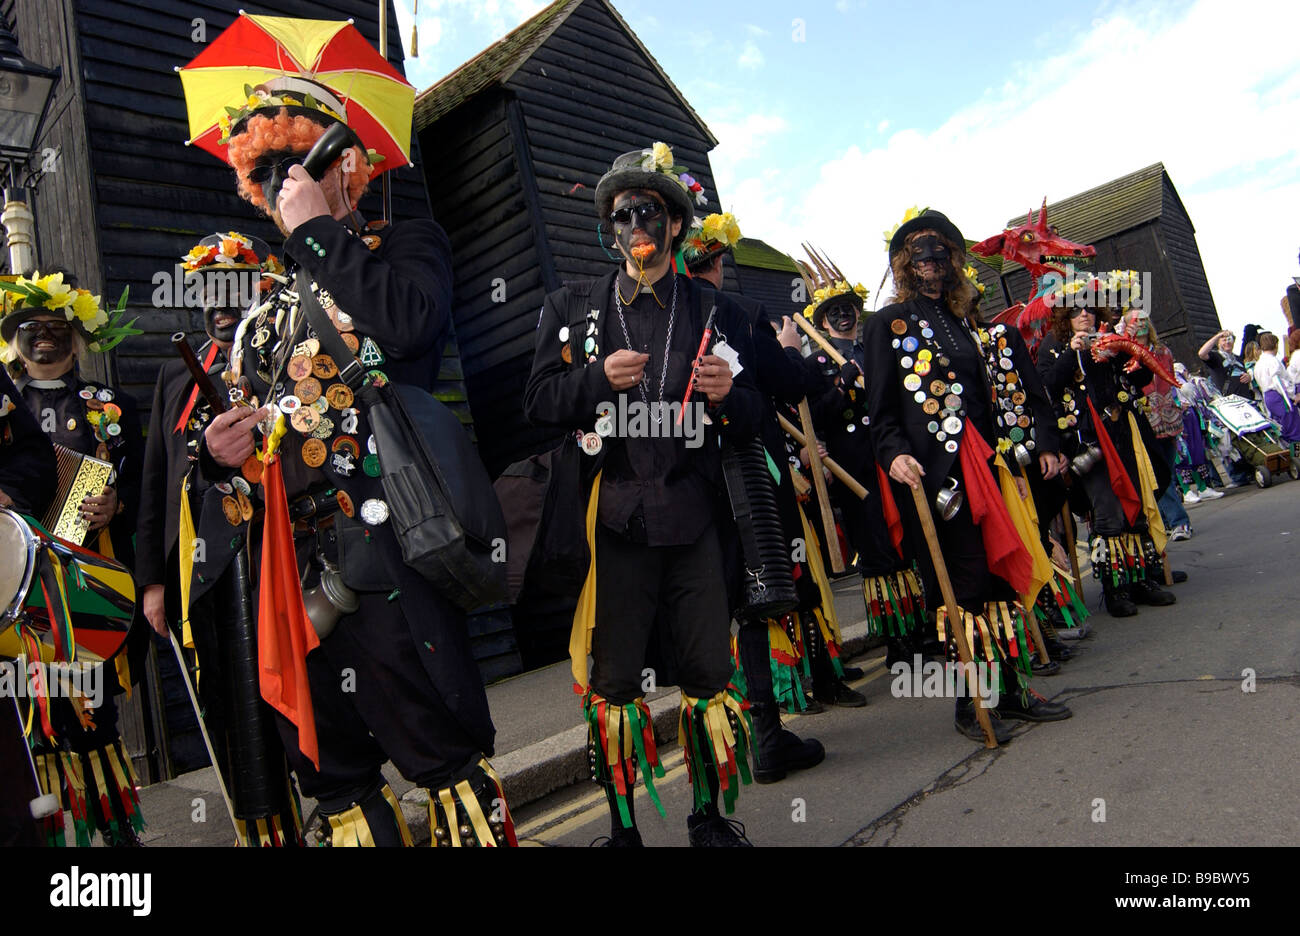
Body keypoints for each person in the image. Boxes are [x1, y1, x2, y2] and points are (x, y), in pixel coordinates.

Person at [190, 70, 514, 847]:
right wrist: (217, 455)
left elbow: (411, 328)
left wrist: (318, 233)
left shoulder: (404, 242)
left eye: (293, 165)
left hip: (386, 546)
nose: (276, 188)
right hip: (291, 573)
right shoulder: (258, 316)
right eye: (261, 174)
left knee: (439, 751)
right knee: (333, 777)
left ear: (343, 165)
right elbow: (250, 445)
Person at [525, 143, 764, 846]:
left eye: (650, 212)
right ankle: (624, 831)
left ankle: (709, 820)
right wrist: (596, 379)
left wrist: (730, 397)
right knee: (615, 685)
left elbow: (756, 416)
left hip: (693, 519)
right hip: (617, 522)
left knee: (708, 671)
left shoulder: (716, 311)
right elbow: (538, 402)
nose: (636, 225)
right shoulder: (570, 308)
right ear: (609, 226)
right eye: (623, 213)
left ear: (676, 227)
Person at [866, 209, 1071, 743]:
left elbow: (999, 397)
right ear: (904, 265)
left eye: (939, 253)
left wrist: (1027, 450)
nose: (930, 262)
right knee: (964, 586)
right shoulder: (886, 325)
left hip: (989, 466)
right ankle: (970, 702)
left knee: (1002, 577)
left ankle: (1012, 690)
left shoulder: (968, 325)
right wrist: (893, 455)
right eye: (918, 254)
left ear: (953, 262)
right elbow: (882, 413)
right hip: (938, 479)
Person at [135, 232, 304, 845]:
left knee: (289, 694)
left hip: (275, 559)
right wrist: (153, 581)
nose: (222, 301)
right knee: (227, 701)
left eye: (235, 283)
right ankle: (259, 829)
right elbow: (156, 479)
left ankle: (320, 812)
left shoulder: (282, 358)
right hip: (201, 570)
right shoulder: (173, 376)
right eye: (209, 288)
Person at [681, 213, 828, 783]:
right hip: (744, 484)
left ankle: (729, 749)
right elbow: (790, 384)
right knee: (754, 604)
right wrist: (791, 349)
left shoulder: (644, 315)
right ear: (716, 261)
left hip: (681, 488)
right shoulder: (737, 312)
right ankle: (765, 740)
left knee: (716, 609)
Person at [1, 271, 146, 846]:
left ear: (76, 335)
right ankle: (54, 836)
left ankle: (113, 831)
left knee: (92, 707)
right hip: (16, 584)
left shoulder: (113, 405)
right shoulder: (6, 406)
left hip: (84, 578)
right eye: (31, 328)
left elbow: (147, 487)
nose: (43, 338)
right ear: (14, 339)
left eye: (55, 327)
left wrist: (119, 502)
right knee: (30, 711)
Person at [797, 253, 927, 672]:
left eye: (849, 309)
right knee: (877, 552)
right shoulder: (815, 363)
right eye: (834, 312)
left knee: (907, 544)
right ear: (821, 321)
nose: (844, 316)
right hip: (855, 469)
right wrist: (842, 386)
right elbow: (814, 417)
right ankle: (896, 642)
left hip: (890, 457)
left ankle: (921, 630)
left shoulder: (876, 348)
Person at [1036, 272, 1176, 618]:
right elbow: (1047, 389)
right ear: (1064, 317)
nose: (1083, 314)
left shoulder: (1110, 339)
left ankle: (1142, 579)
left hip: (1124, 434)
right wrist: (1071, 353)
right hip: (1087, 442)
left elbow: (1139, 379)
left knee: (1138, 505)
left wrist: (1135, 351)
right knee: (1107, 512)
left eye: (1088, 309)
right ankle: (1115, 589)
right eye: (1074, 310)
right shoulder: (1053, 347)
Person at [1122, 306, 1193, 542]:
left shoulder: (1163, 351)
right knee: (1160, 473)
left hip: (1169, 416)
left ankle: (1168, 519)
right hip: (1146, 418)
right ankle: (1179, 521)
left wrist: (1179, 401)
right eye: (1134, 321)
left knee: (1168, 471)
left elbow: (1171, 379)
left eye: (1143, 320)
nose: (1140, 324)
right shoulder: (1126, 352)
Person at [1251, 332, 1300, 443]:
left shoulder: (1258, 364)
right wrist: (1293, 395)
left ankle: (1289, 457)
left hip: (1268, 398)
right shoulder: (1273, 361)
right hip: (1280, 396)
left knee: (1282, 431)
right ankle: (1298, 457)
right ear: (1275, 345)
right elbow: (1279, 382)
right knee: (1294, 431)